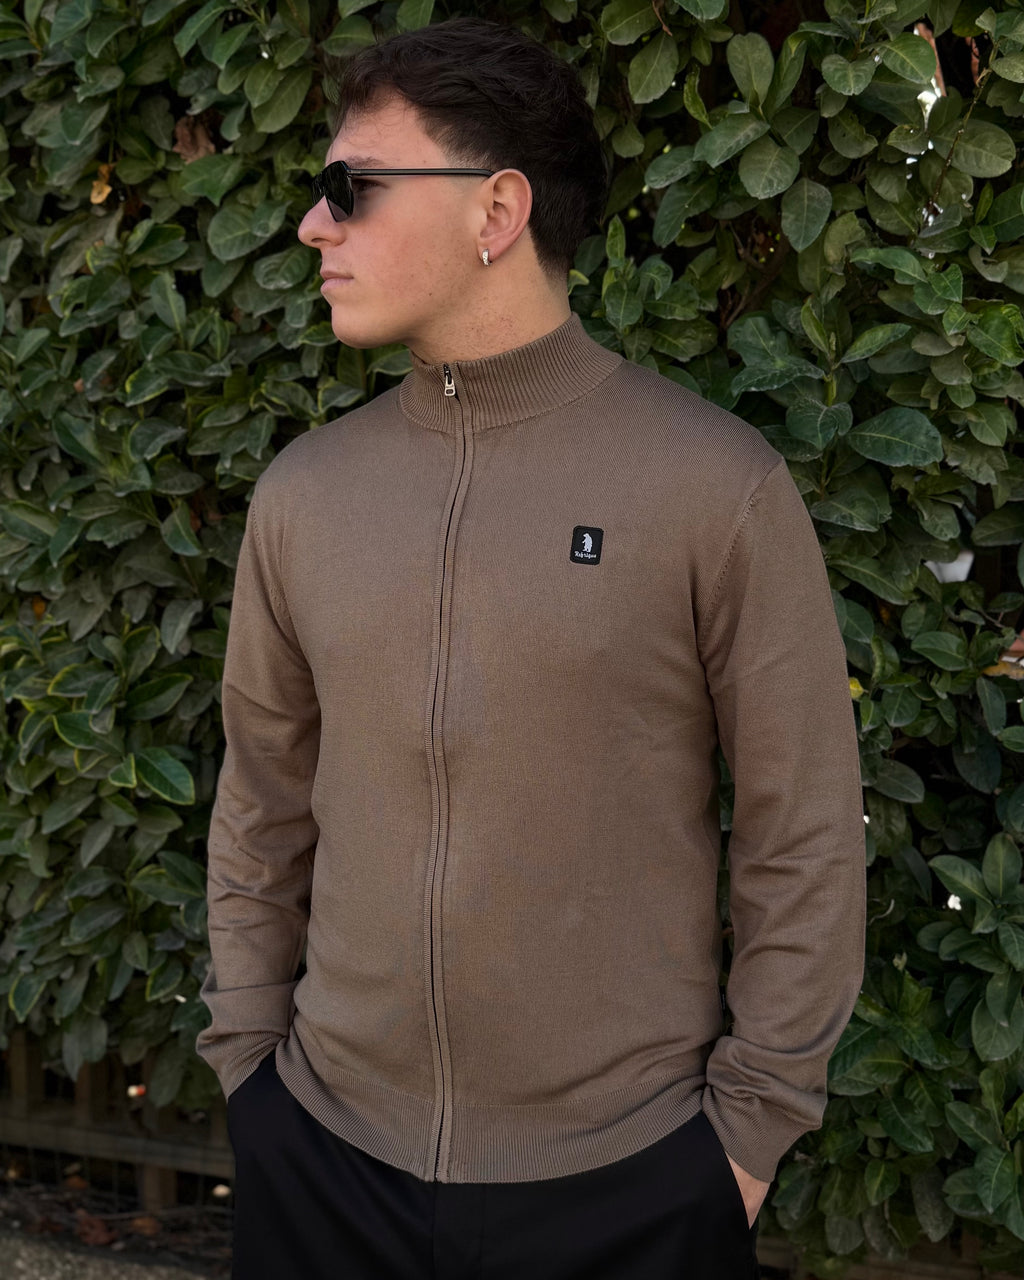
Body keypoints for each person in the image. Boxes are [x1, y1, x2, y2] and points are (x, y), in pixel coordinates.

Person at [197, 17, 865, 1280]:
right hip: (322, 1162)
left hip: (629, 1182)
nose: (312, 225)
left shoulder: (712, 487)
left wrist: (743, 1140)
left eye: (351, 186)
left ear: (495, 210)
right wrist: (249, 1065)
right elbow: (261, 801)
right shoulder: (304, 496)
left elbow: (804, 833)